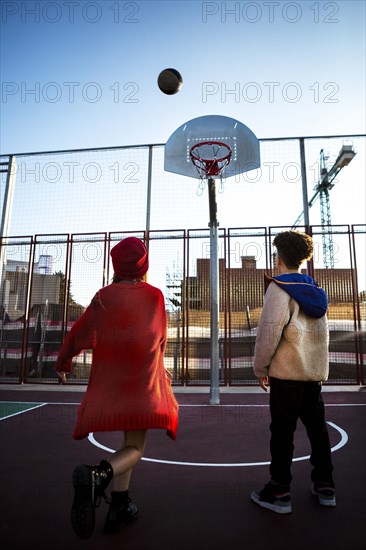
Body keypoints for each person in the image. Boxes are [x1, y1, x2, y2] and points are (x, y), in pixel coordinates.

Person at [55, 237, 179, 538]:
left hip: (110, 383)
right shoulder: (155, 297)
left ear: (115, 265)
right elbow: (158, 339)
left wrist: (63, 362)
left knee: (127, 444)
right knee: (135, 447)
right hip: (141, 382)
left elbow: (80, 331)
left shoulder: (103, 297)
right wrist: (161, 371)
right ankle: (100, 474)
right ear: (144, 265)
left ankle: (119, 507)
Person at [250, 230, 335, 514]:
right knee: (317, 430)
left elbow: (269, 332)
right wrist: (319, 368)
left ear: (278, 258)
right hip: (312, 374)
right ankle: (325, 485)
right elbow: (323, 336)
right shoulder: (315, 289)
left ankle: (279, 491)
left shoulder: (279, 288)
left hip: (286, 375)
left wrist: (261, 367)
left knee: (283, 432)